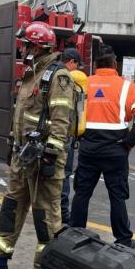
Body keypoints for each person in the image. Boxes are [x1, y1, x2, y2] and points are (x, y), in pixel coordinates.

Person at [0, 22, 74, 269]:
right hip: (22, 157)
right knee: (11, 206)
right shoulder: (31, 74)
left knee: (45, 215)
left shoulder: (57, 77)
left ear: (38, 46)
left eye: (26, 44)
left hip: (43, 160)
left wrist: (51, 154)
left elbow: (61, 120)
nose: (23, 48)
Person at [69, 45, 135, 248]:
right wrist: (129, 142)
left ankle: (75, 233)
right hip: (116, 149)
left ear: (96, 65)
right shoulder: (126, 86)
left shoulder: (86, 84)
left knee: (82, 193)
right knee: (117, 196)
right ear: (115, 64)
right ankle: (123, 239)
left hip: (88, 148)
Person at [60, 47, 85, 224]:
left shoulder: (49, 73)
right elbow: (79, 110)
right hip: (65, 135)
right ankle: (63, 212)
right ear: (71, 62)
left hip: (49, 133)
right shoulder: (72, 79)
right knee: (64, 174)